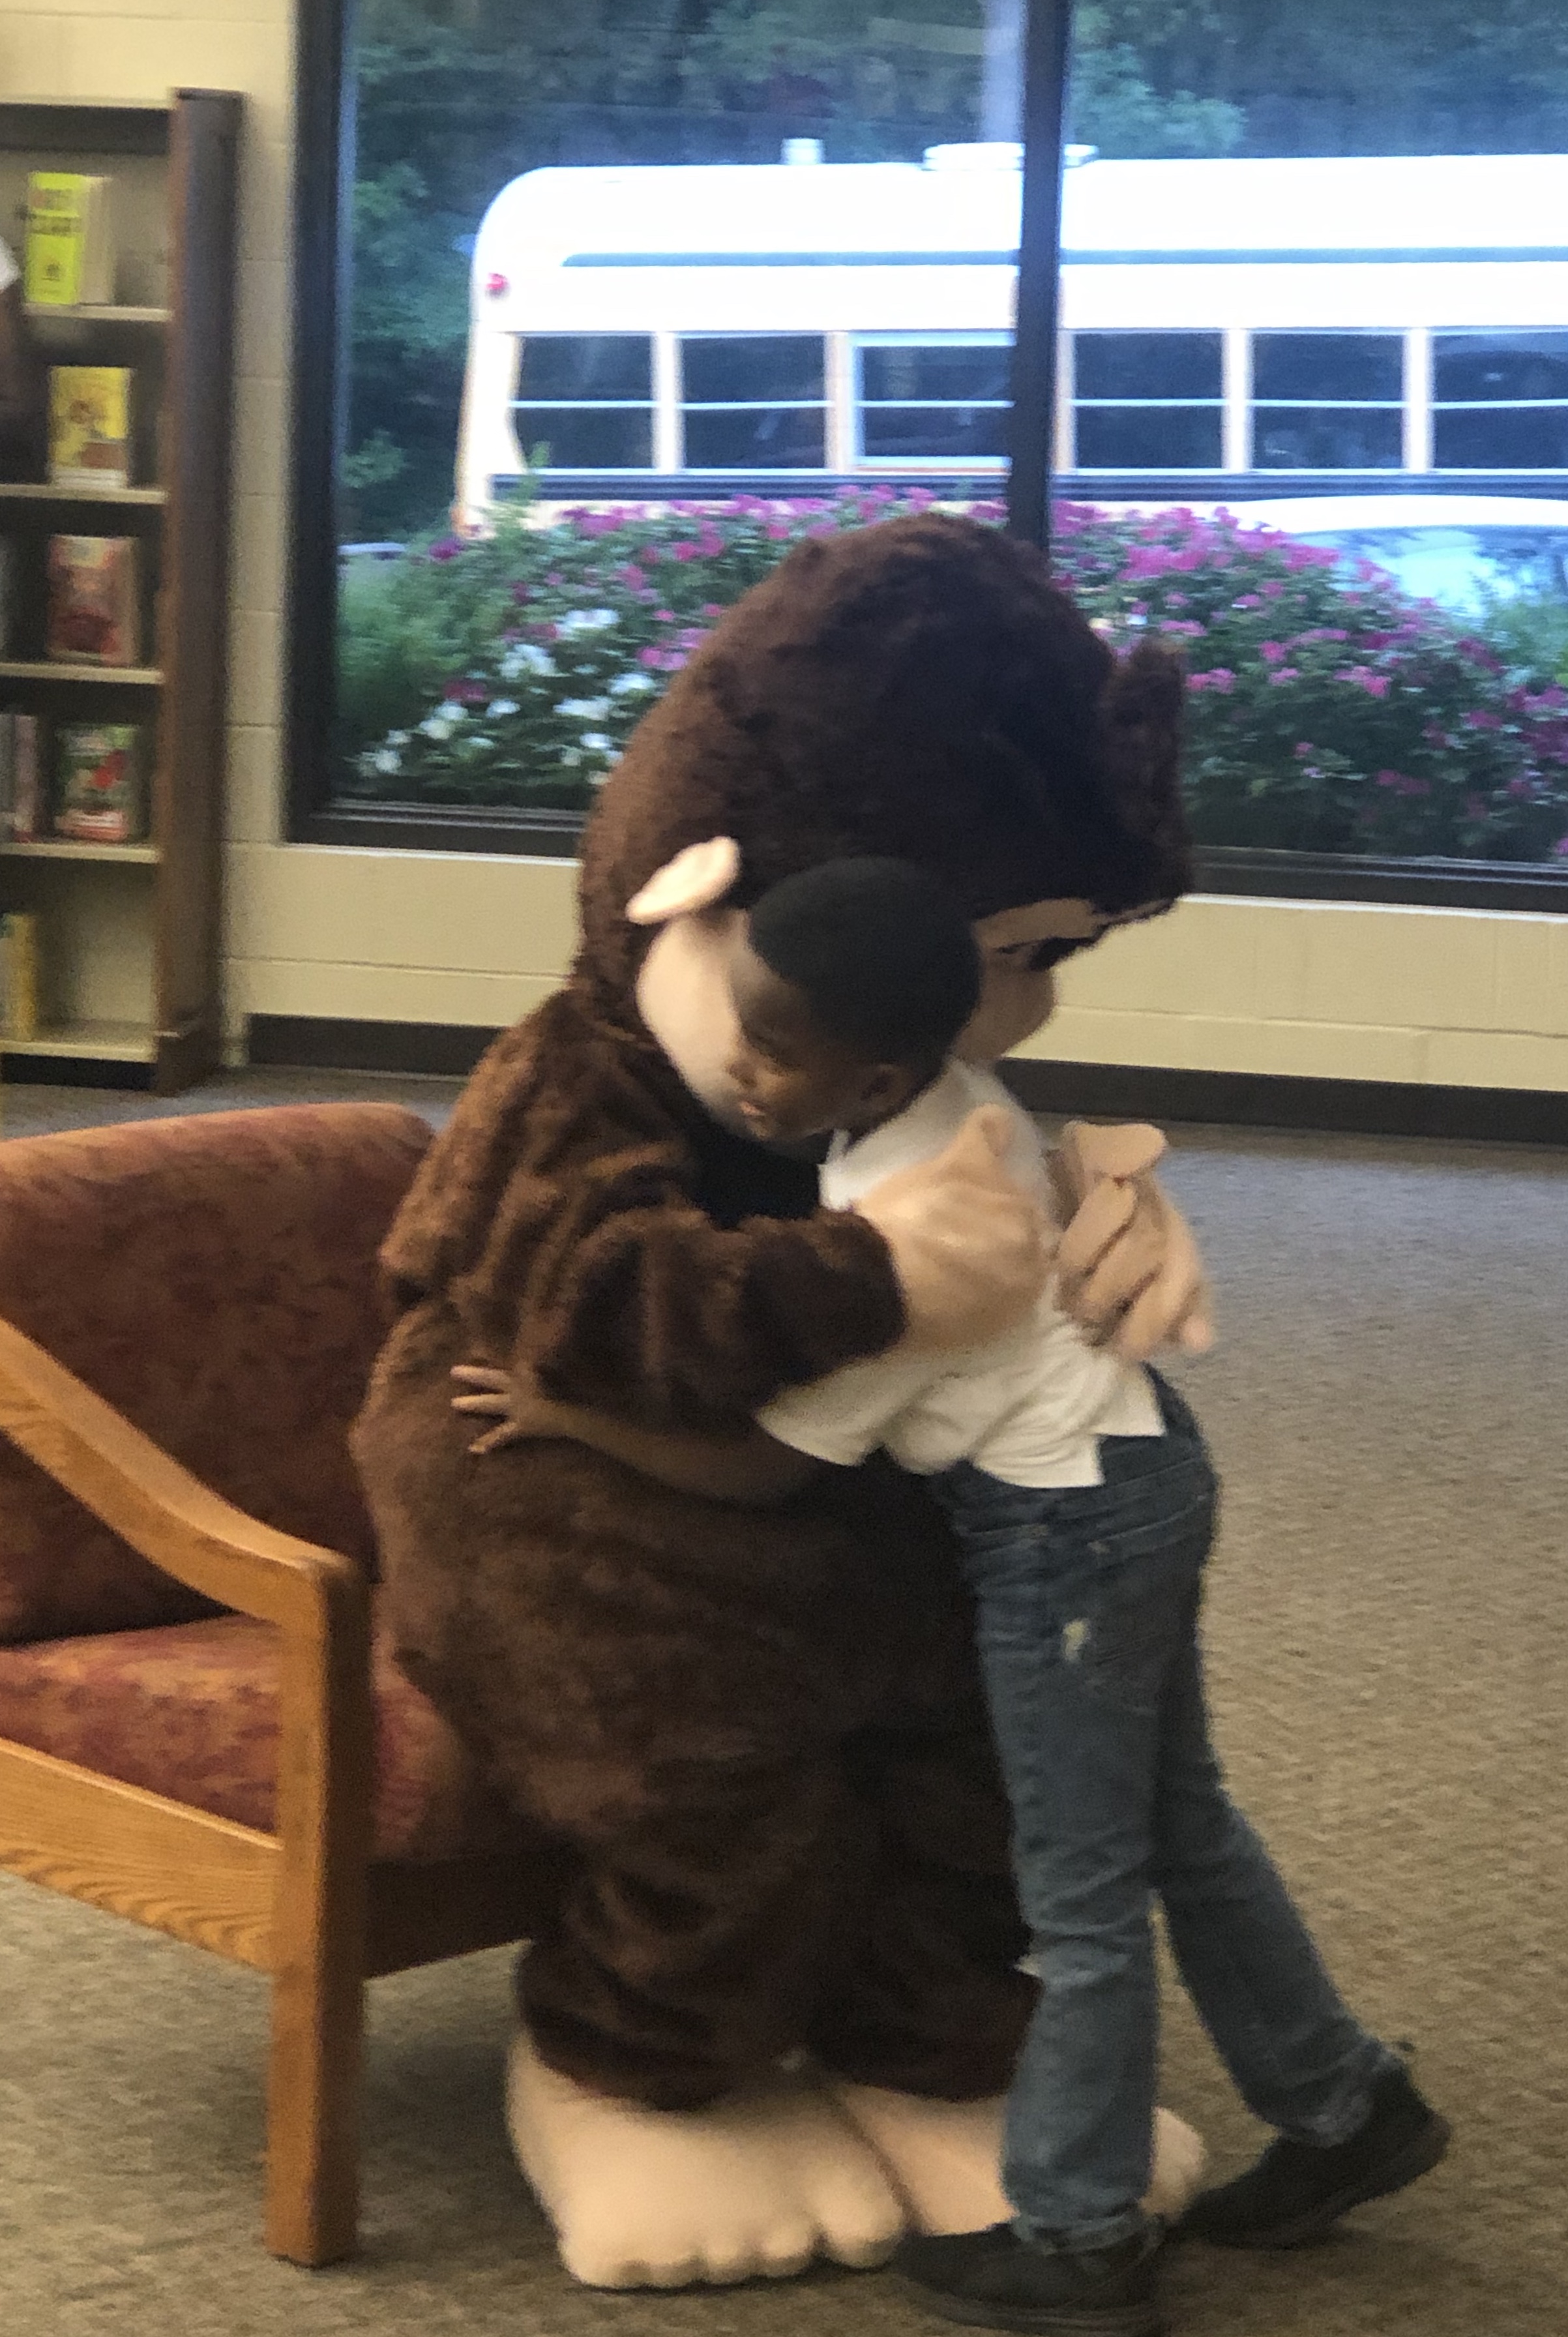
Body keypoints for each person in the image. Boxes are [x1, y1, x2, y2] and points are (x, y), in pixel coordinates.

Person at [457, 854, 1450, 2336]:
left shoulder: (922, 1248)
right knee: (1185, 1824)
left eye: (775, 1050)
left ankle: (1076, 2233)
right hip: (1137, 1475)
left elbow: (760, 1472)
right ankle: (1344, 2102)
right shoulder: (946, 1087)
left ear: (874, 1067)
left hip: (1061, 1538)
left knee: (1083, 1895)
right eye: (741, 1022)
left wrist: (569, 1415)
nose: (741, 1065)